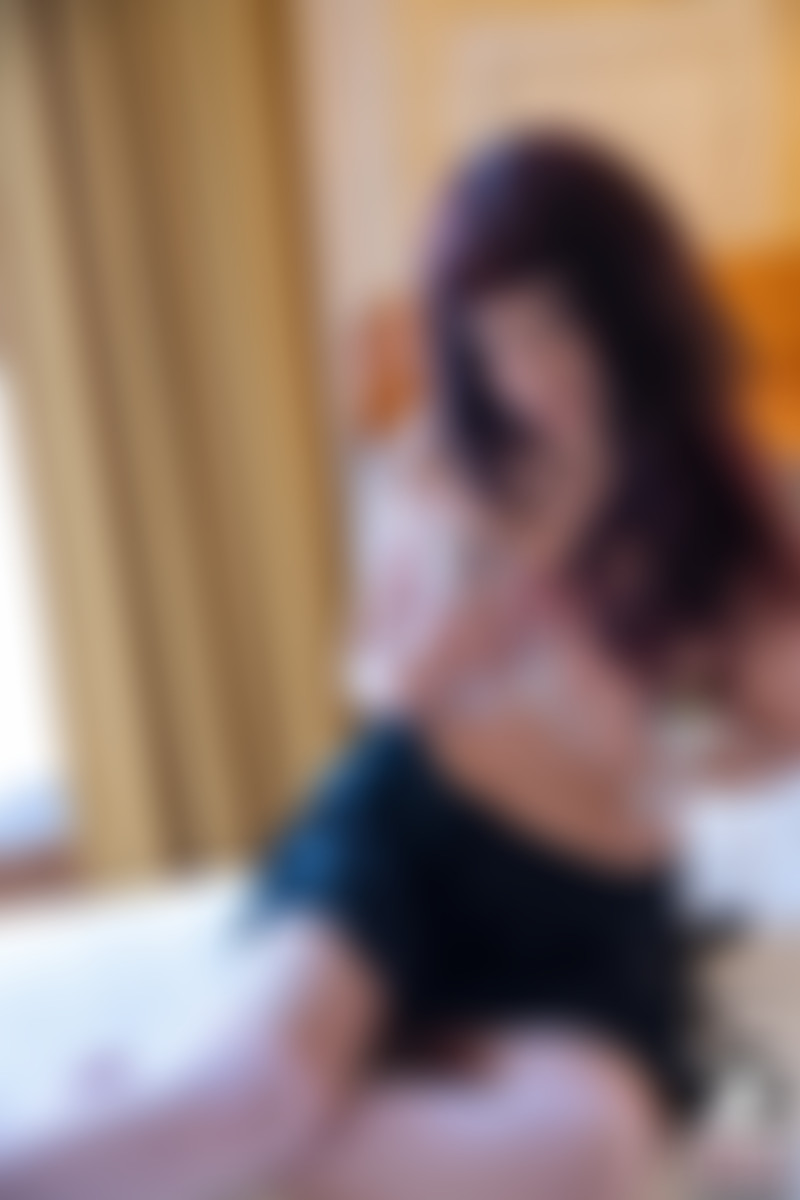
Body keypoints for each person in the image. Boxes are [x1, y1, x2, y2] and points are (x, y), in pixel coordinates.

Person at [6, 131, 800, 1200]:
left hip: (585, 909)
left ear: (633, 305)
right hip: (406, 836)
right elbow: (369, 669)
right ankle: (185, 1121)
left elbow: (770, 733)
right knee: (254, 1090)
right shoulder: (443, 459)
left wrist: (663, 724)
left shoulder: (726, 503)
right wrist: (433, 658)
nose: (527, 378)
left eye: (555, 326)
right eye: (494, 341)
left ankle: (159, 1123)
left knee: (594, 1147)